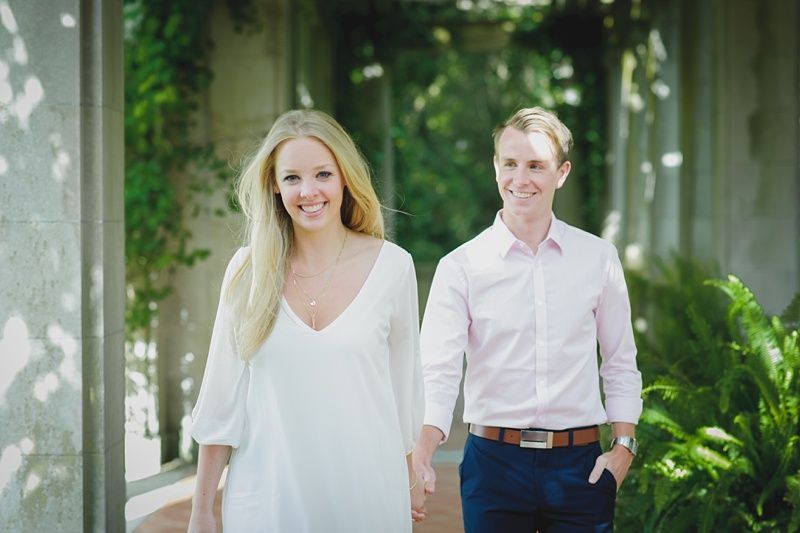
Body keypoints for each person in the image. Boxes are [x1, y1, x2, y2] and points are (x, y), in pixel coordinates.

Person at [188, 109, 426, 533]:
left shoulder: (393, 267)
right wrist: (202, 511)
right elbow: (221, 403)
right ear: (275, 186)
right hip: (267, 504)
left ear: (344, 178)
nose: (308, 191)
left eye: (322, 174)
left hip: (368, 499)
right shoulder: (248, 272)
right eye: (292, 177)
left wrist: (410, 478)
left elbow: (403, 390)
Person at [412, 107, 643, 531]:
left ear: (562, 172)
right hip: (493, 464)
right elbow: (438, 370)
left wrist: (623, 446)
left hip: (581, 465)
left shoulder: (598, 259)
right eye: (510, 164)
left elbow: (620, 361)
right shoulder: (460, 266)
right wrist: (424, 449)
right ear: (495, 168)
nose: (521, 179)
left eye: (536, 165)